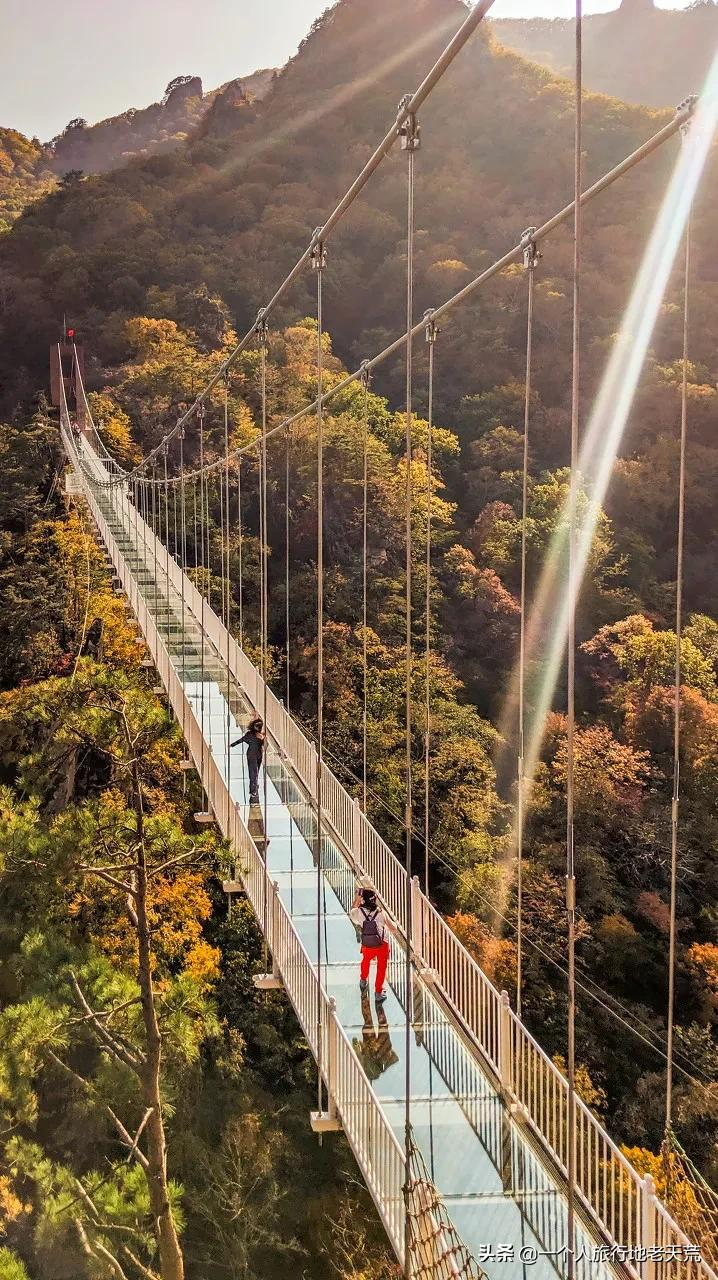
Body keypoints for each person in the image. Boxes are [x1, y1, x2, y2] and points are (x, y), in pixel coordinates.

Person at [350, 884, 392, 1004]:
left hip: (367, 942)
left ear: (363, 899)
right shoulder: (381, 912)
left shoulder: (358, 912)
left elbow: (352, 909)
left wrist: (358, 897)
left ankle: (363, 980)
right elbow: (393, 928)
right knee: (381, 967)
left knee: (366, 960)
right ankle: (378, 992)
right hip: (382, 943)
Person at [231, 716, 265, 804]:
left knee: (256, 772)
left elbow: (264, 745)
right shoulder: (250, 734)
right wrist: (231, 745)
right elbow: (241, 740)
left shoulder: (262, 735)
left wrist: (262, 738)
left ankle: (254, 787)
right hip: (251, 755)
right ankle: (253, 791)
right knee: (253, 772)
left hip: (259, 755)